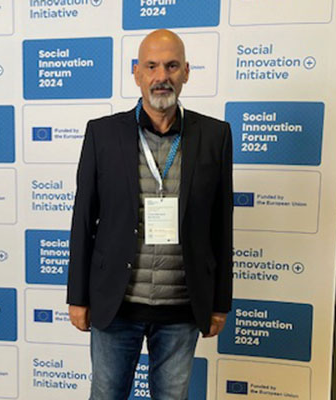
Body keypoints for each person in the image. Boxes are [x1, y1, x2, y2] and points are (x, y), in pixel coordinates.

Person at [66, 29, 233, 400]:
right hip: (116, 304)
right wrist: (77, 296)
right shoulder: (102, 134)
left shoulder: (215, 135)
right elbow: (83, 220)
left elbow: (222, 226)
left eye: (172, 66)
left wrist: (221, 303)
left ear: (186, 72)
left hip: (182, 307)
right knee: (106, 394)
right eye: (152, 66)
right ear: (137, 73)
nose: (162, 76)